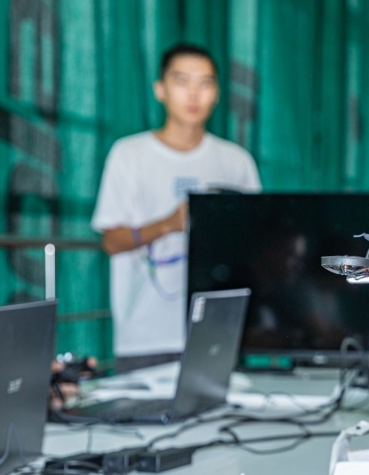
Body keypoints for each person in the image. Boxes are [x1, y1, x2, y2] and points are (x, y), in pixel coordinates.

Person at [91, 43, 260, 373]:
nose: (193, 94)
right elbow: (111, 241)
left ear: (217, 93)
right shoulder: (129, 155)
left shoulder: (236, 162)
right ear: (160, 89)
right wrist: (168, 224)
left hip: (218, 332)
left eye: (205, 83)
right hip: (145, 336)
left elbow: (255, 242)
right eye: (182, 81)